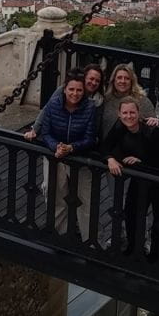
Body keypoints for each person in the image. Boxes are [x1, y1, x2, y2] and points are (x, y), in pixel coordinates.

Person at [103, 98, 159, 260]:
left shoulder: (154, 132)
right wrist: (110, 158)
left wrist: (141, 161)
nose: (128, 116)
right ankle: (134, 249)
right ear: (119, 114)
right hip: (142, 179)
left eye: (132, 112)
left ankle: (155, 258)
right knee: (131, 213)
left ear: (139, 114)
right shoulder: (119, 127)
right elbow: (105, 146)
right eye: (125, 113)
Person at [39, 72, 97, 241]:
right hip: (56, 153)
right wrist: (55, 147)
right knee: (55, 192)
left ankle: (90, 240)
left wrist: (71, 148)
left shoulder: (90, 108)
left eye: (79, 90)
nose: (75, 93)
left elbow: (90, 137)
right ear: (64, 89)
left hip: (77, 155)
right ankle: (60, 232)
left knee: (85, 198)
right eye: (71, 89)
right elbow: (46, 132)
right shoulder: (53, 104)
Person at [24, 64, 104, 141]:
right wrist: (34, 129)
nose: (94, 83)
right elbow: (47, 109)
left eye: (97, 81)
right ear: (84, 77)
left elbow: (95, 127)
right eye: (91, 79)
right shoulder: (65, 89)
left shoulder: (98, 101)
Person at [101, 64, 155, 143]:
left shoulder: (142, 101)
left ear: (132, 81)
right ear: (113, 80)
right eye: (119, 78)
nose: (123, 81)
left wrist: (154, 121)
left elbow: (153, 125)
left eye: (127, 78)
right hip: (105, 148)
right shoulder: (106, 99)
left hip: (133, 148)